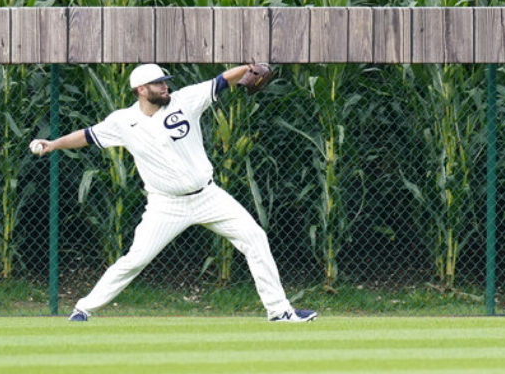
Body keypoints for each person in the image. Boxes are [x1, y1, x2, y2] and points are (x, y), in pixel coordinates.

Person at [29, 63, 316, 323]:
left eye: (165, 81)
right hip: (165, 206)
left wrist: (249, 68)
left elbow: (220, 81)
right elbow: (88, 135)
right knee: (136, 259)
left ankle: (279, 311)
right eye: (159, 83)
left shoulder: (185, 100)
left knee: (254, 238)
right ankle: (83, 309)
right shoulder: (122, 121)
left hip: (208, 196)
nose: (165, 86)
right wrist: (54, 144)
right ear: (141, 90)